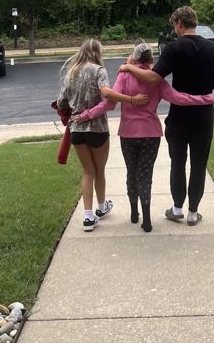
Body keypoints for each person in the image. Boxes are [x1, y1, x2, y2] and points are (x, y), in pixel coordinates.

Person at [73, 41, 214, 233]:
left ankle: (134, 213)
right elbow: (180, 99)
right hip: (151, 135)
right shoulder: (157, 81)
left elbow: (109, 103)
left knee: (131, 173)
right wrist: (208, 98)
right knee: (145, 175)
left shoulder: (124, 75)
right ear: (151, 58)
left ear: (134, 58)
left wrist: (85, 115)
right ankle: (147, 219)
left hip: (128, 133)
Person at [119, 6, 214, 226]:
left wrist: (129, 68)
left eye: (174, 25)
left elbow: (153, 78)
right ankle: (193, 213)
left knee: (178, 162)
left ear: (179, 23)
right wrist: (203, 83)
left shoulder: (173, 48)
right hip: (204, 116)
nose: (174, 29)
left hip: (179, 117)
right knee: (199, 165)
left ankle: (177, 209)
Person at [57, 39, 148, 232]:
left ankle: (88, 216)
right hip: (97, 128)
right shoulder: (99, 71)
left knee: (87, 171)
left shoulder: (71, 73)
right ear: (97, 52)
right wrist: (132, 100)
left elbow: (61, 102)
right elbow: (108, 96)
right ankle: (101, 206)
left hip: (77, 130)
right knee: (100, 170)